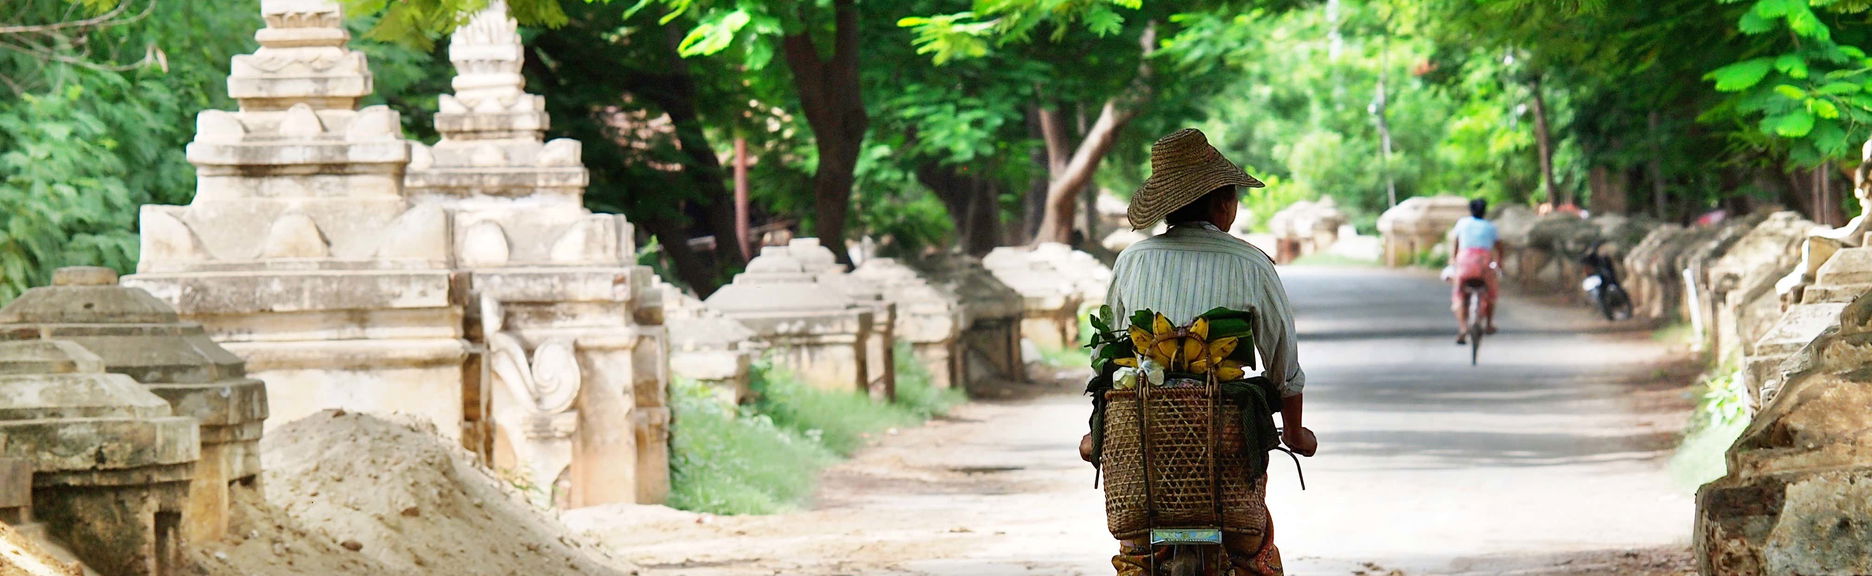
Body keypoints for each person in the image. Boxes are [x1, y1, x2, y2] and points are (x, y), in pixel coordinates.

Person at [1091, 128, 1314, 576]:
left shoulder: (1132, 261)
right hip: (1228, 437)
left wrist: (1096, 436)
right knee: (1253, 549)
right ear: (1222, 202)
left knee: (1134, 552)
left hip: (1141, 434)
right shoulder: (1251, 262)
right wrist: (1294, 431)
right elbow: (1283, 365)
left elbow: (1110, 356)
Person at [1449, 198, 1502, 343]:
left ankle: (1462, 328)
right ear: (1485, 211)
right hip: (1484, 265)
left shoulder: (1462, 223)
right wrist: (1499, 263)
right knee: (1491, 294)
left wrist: (1453, 260)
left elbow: (1455, 244)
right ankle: (1489, 324)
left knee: (1459, 295)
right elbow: (1499, 248)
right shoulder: (1491, 227)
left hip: (1464, 264)